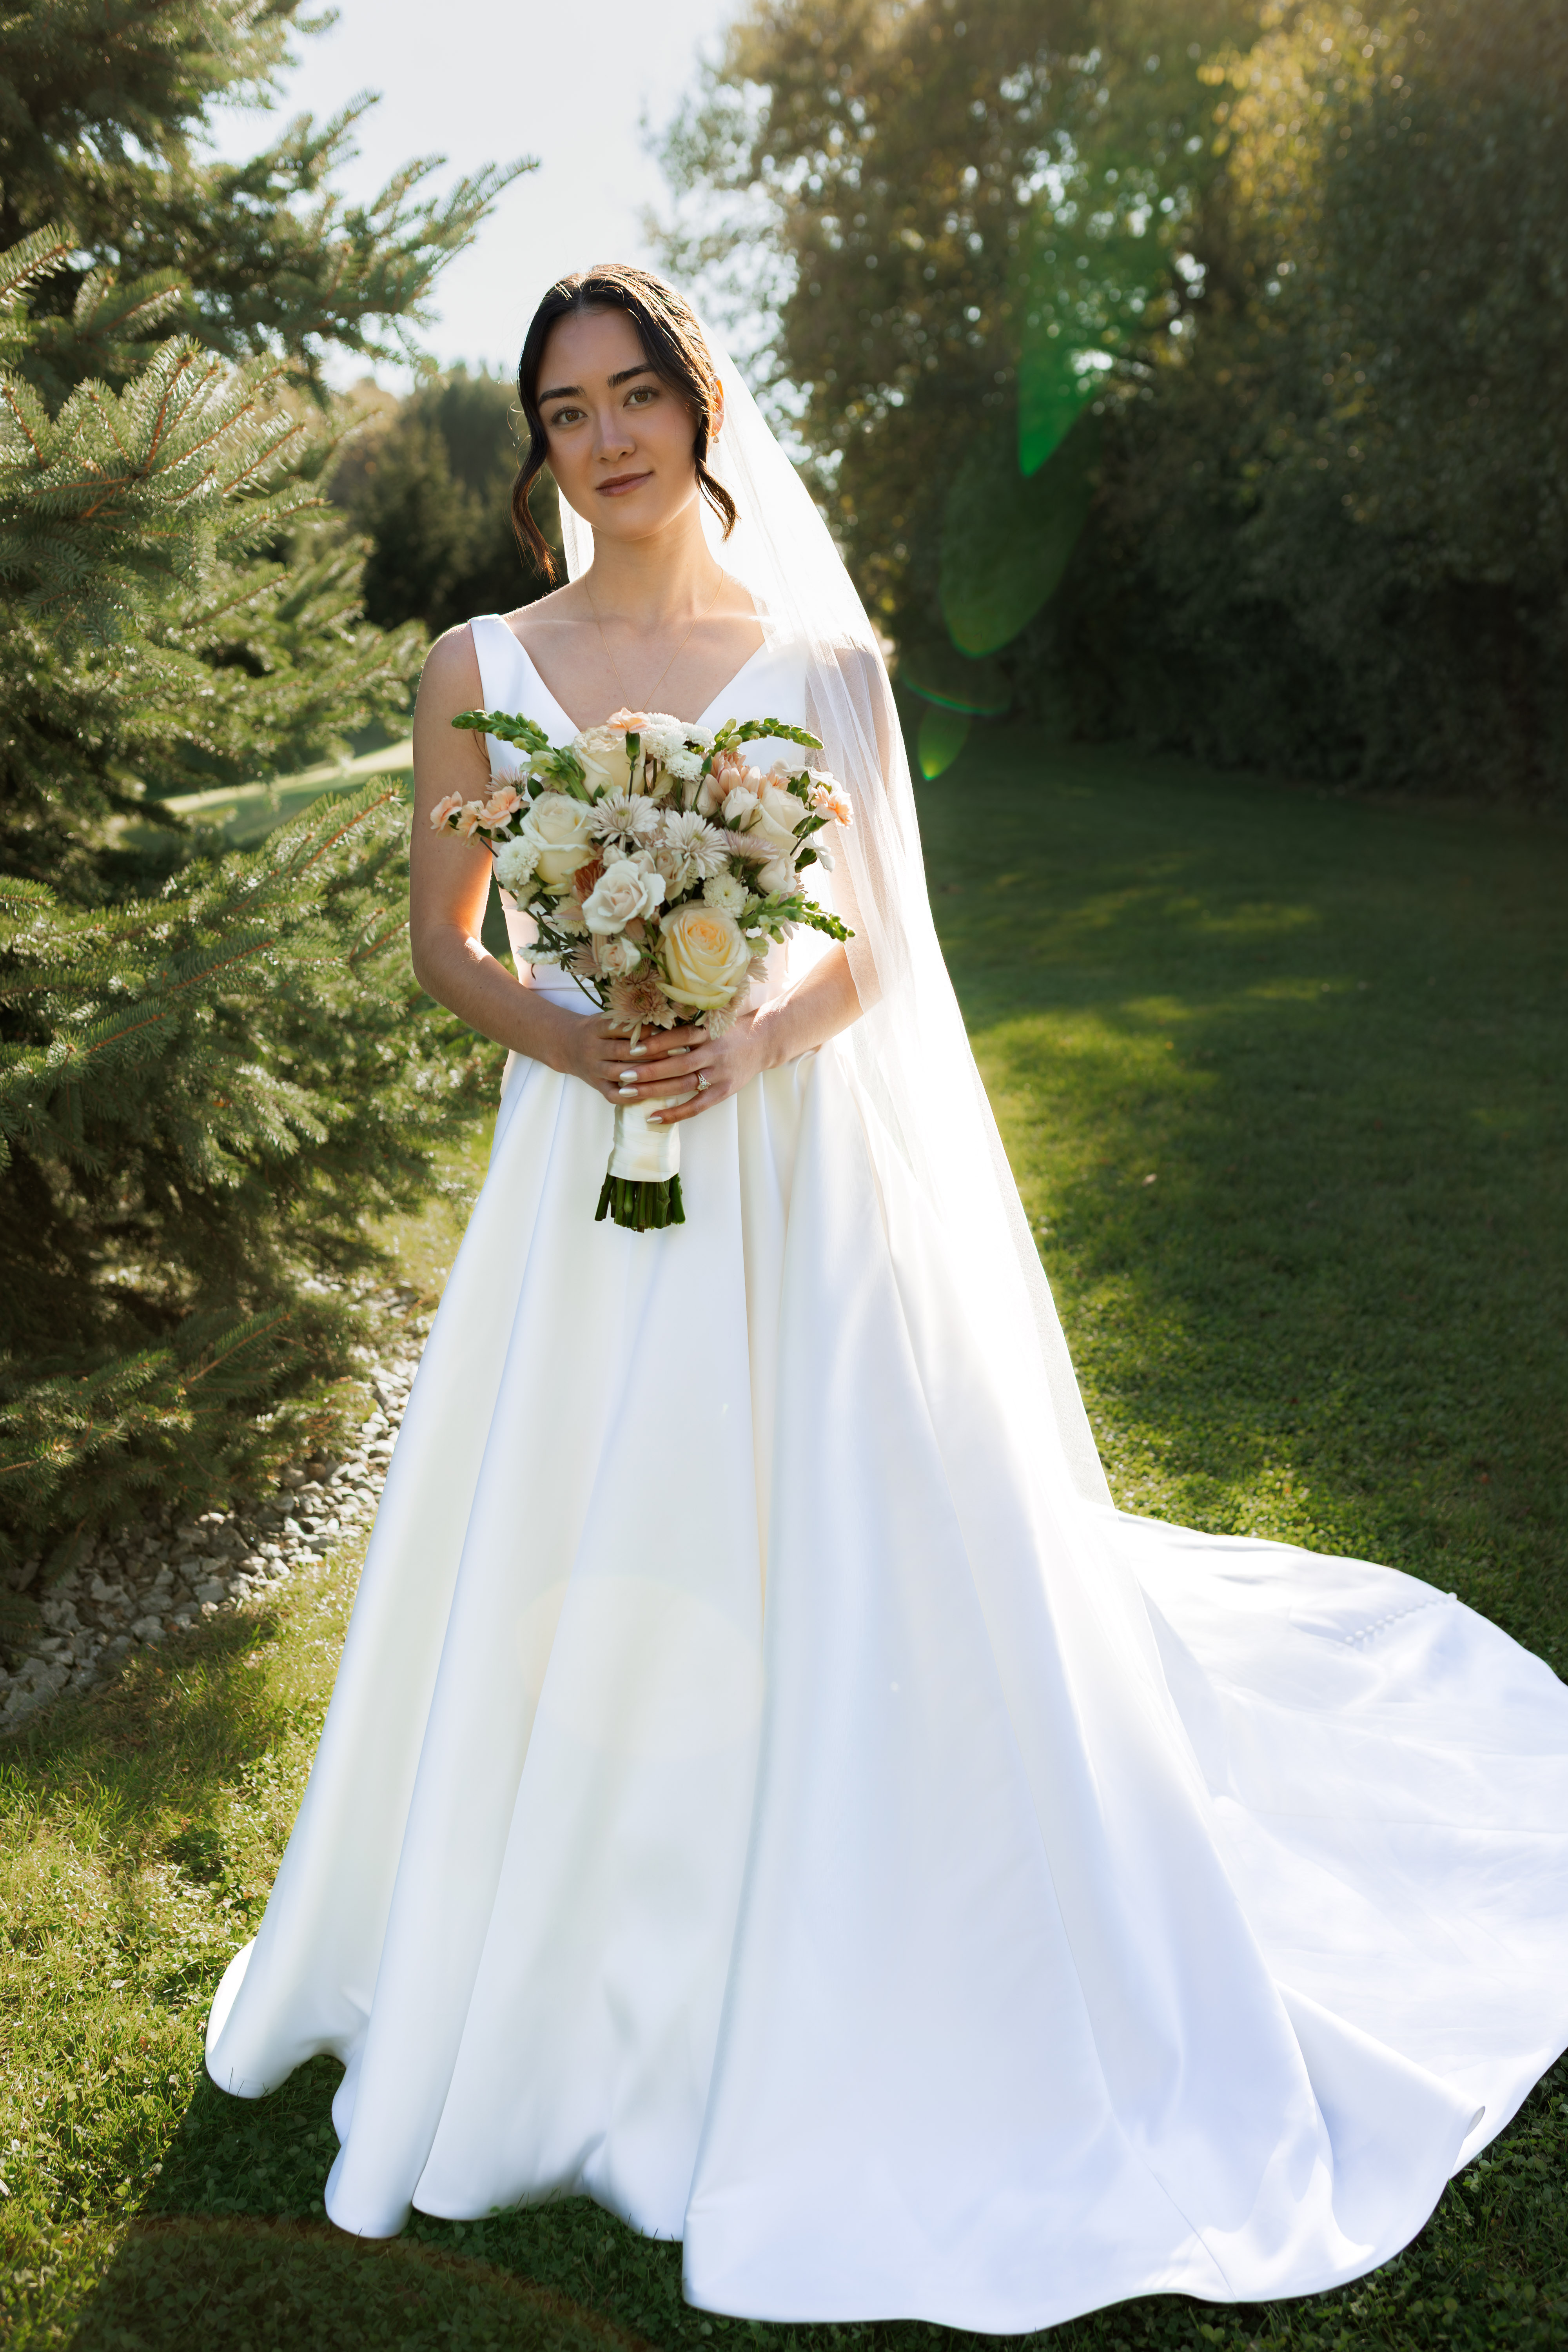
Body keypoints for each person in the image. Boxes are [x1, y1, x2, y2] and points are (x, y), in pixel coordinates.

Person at [206, 266, 1568, 2332]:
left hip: (797, 1165)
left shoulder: (826, 666)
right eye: (564, 411)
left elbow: (882, 953)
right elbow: (448, 940)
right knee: (583, 1523)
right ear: (538, 450)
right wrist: (590, 1043)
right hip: (587, 1168)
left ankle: (851, 1902)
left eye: (635, 393)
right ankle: (575, 1941)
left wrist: (742, 1035)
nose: (606, 438)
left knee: (840, 1527)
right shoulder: (481, 664)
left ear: (699, 401)